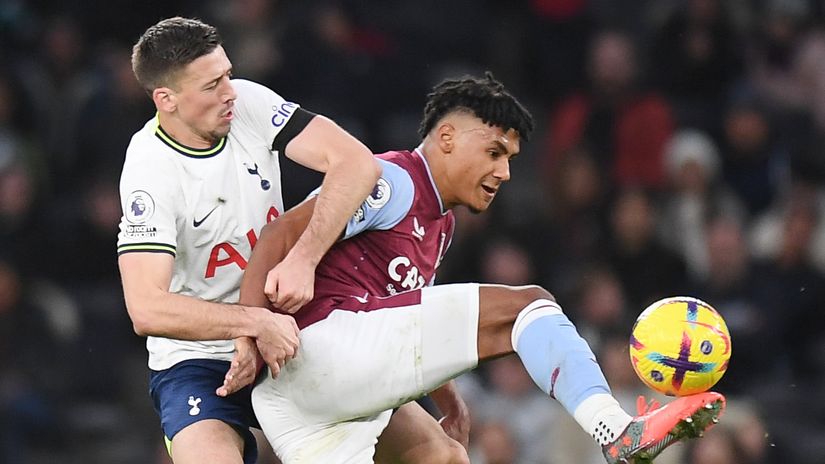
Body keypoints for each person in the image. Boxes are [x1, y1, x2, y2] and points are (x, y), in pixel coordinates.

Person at [225, 73, 726, 463]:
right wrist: (248, 335)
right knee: (528, 306)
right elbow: (278, 236)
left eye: (509, 159)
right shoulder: (392, 180)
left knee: (440, 456)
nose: (504, 172)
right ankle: (615, 431)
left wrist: (450, 399)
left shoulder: (440, 224)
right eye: (493, 152)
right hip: (315, 347)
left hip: (298, 401)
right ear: (446, 138)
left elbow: (407, 318)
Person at [116, 17, 381, 464]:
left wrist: (304, 258)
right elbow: (145, 307)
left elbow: (357, 162)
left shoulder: (249, 104)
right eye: (212, 84)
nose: (230, 91)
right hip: (201, 361)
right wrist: (251, 323)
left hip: (295, 326)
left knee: (434, 450)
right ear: (167, 100)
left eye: (228, 74)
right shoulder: (149, 171)